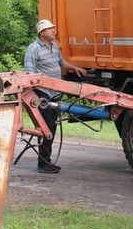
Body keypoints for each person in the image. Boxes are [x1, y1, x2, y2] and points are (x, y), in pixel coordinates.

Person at [24, 19, 87, 173]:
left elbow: (62, 62)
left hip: (55, 94)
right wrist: (37, 96)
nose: (53, 31)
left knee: (52, 126)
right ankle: (43, 163)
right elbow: (29, 74)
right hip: (43, 95)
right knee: (47, 128)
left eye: (53, 28)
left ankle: (46, 161)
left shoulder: (54, 47)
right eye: (50, 29)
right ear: (42, 33)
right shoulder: (33, 49)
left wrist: (75, 68)